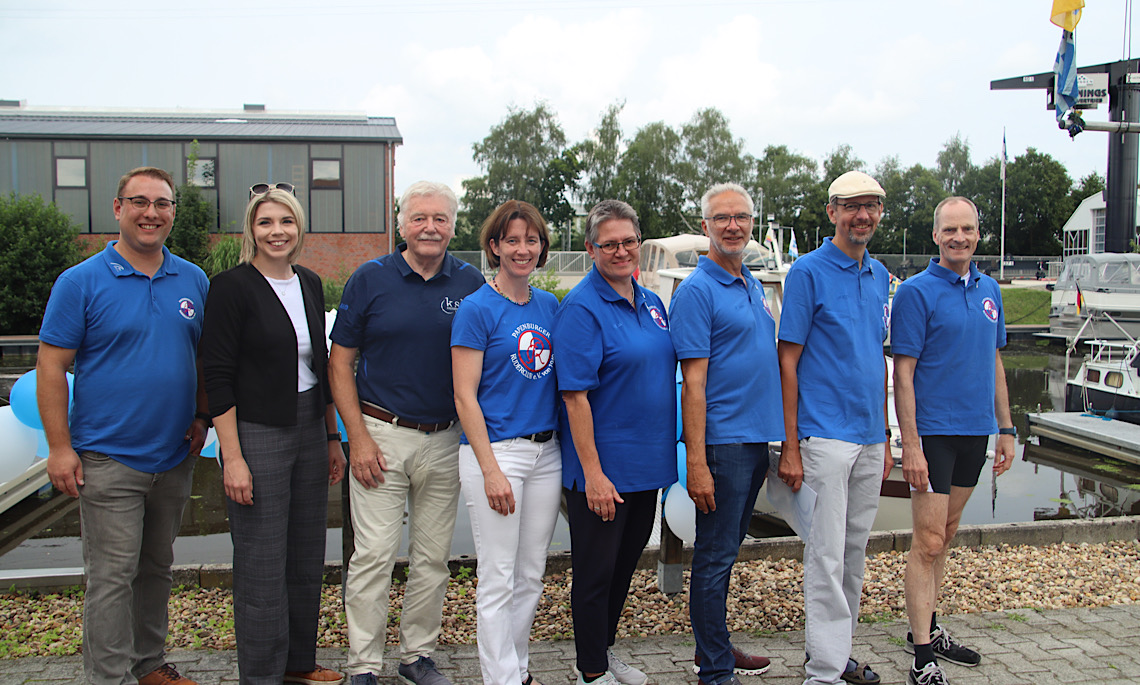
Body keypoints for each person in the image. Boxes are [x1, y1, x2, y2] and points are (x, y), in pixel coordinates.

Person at [36, 166, 209, 685]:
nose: (151, 213)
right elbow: (51, 367)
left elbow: (205, 360)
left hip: (174, 456)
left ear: (173, 212)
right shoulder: (80, 281)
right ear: (117, 209)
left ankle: (149, 664)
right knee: (111, 579)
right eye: (139, 202)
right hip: (107, 458)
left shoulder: (193, 279)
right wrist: (59, 449)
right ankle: (108, 677)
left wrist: (202, 415)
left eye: (162, 203)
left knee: (156, 569)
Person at [329, 181, 485, 685]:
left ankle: (417, 654)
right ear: (401, 225)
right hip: (381, 434)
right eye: (419, 218)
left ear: (453, 226)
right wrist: (358, 437)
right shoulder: (369, 279)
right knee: (373, 555)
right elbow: (340, 363)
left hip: (445, 437)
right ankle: (363, 666)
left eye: (440, 219)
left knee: (432, 557)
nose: (430, 227)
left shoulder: (471, 283)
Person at [199, 184, 347, 685]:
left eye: (286, 222)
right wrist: (233, 457)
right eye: (266, 223)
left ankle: (298, 664)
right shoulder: (231, 287)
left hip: (308, 426)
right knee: (262, 562)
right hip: (257, 431)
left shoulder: (308, 282)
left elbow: (321, 365)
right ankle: (261, 675)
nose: (277, 232)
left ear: (299, 228)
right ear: (252, 230)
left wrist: (331, 438)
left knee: (306, 553)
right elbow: (216, 375)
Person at [890, 196, 1016, 685]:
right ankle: (922, 656)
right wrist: (912, 445)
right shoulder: (916, 293)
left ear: (978, 235)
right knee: (927, 541)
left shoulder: (990, 290)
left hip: (975, 431)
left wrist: (1005, 429)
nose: (958, 237)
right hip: (934, 434)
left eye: (967, 229)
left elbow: (995, 361)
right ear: (936, 236)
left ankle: (931, 627)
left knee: (948, 533)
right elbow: (904, 374)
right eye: (949, 230)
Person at [777, 170, 893, 685]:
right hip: (824, 437)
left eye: (870, 206)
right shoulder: (807, 272)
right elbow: (788, 360)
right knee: (824, 556)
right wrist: (791, 444)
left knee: (852, 554)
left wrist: (886, 435)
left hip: (869, 436)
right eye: (851, 206)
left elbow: (877, 359)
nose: (861, 215)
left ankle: (834, 654)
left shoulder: (881, 275)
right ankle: (822, 672)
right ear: (832, 213)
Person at [554, 200, 677, 685]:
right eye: (610, 244)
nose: (621, 251)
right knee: (595, 572)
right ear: (591, 250)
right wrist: (594, 474)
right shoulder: (582, 308)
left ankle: (603, 652)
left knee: (624, 567)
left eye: (629, 241)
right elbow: (575, 398)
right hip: (603, 469)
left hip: (647, 465)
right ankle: (590, 670)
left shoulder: (651, 302)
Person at [669, 183, 781, 685]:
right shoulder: (697, 291)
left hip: (757, 441)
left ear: (751, 223)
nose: (733, 225)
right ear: (705, 226)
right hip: (723, 444)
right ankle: (714, 669)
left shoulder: (752, 283)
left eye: (741, 216)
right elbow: (693, 383)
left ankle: (713, 646)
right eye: (722, 217)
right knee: (714, 558)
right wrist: (696, 462)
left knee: (727, 553)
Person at [451, 200, 562, 685]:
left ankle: (517, 669)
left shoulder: (549, 307)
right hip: (497, 453)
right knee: (497, 576)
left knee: (531, 574)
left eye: (531, 240)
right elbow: (463, 395)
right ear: (494, 246)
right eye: (512, 240)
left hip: (547, 453)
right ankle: (500, 679)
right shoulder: (477, 308)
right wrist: (491, 469)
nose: (522, 249)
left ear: (541, 247)